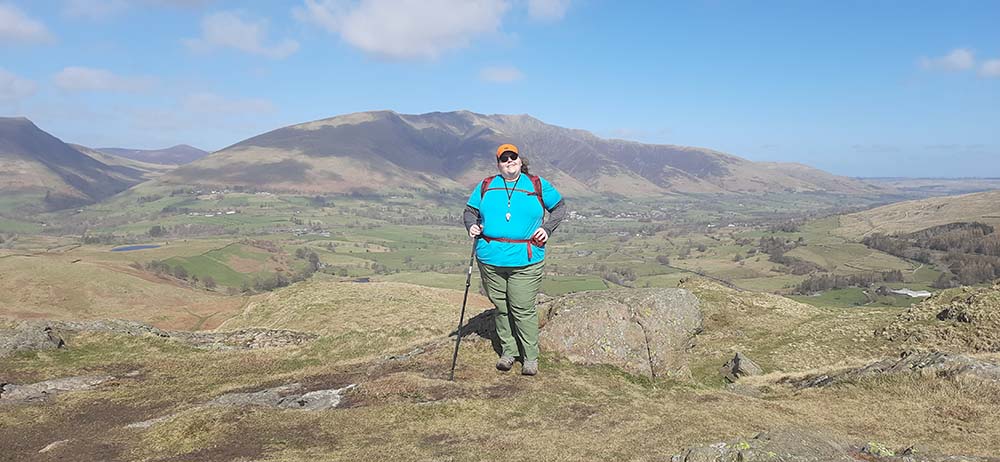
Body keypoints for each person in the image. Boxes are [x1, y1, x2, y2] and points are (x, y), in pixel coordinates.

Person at [463, 143, 566, 376]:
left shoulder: (537, 184)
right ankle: (508, 352)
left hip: (526, 260)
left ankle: (530, 357)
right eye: (504, 159)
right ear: (498, 164)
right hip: (490, 259)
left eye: (513, 157)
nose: (509, 161)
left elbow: (559, 208)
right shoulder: (486, 185)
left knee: (522, 308)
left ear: (520, 161)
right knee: (501, 307)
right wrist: (471, 226)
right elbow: (470, 211)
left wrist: (548, 229)